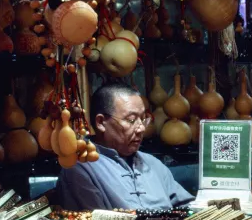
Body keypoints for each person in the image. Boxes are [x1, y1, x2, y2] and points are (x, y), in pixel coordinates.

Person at [51, 82, 193, 211]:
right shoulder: (80, 168)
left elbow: (188, 207)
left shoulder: (153, 164)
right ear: (101, 122)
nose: (141, 129)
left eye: (143, 119)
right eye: (131, 120)